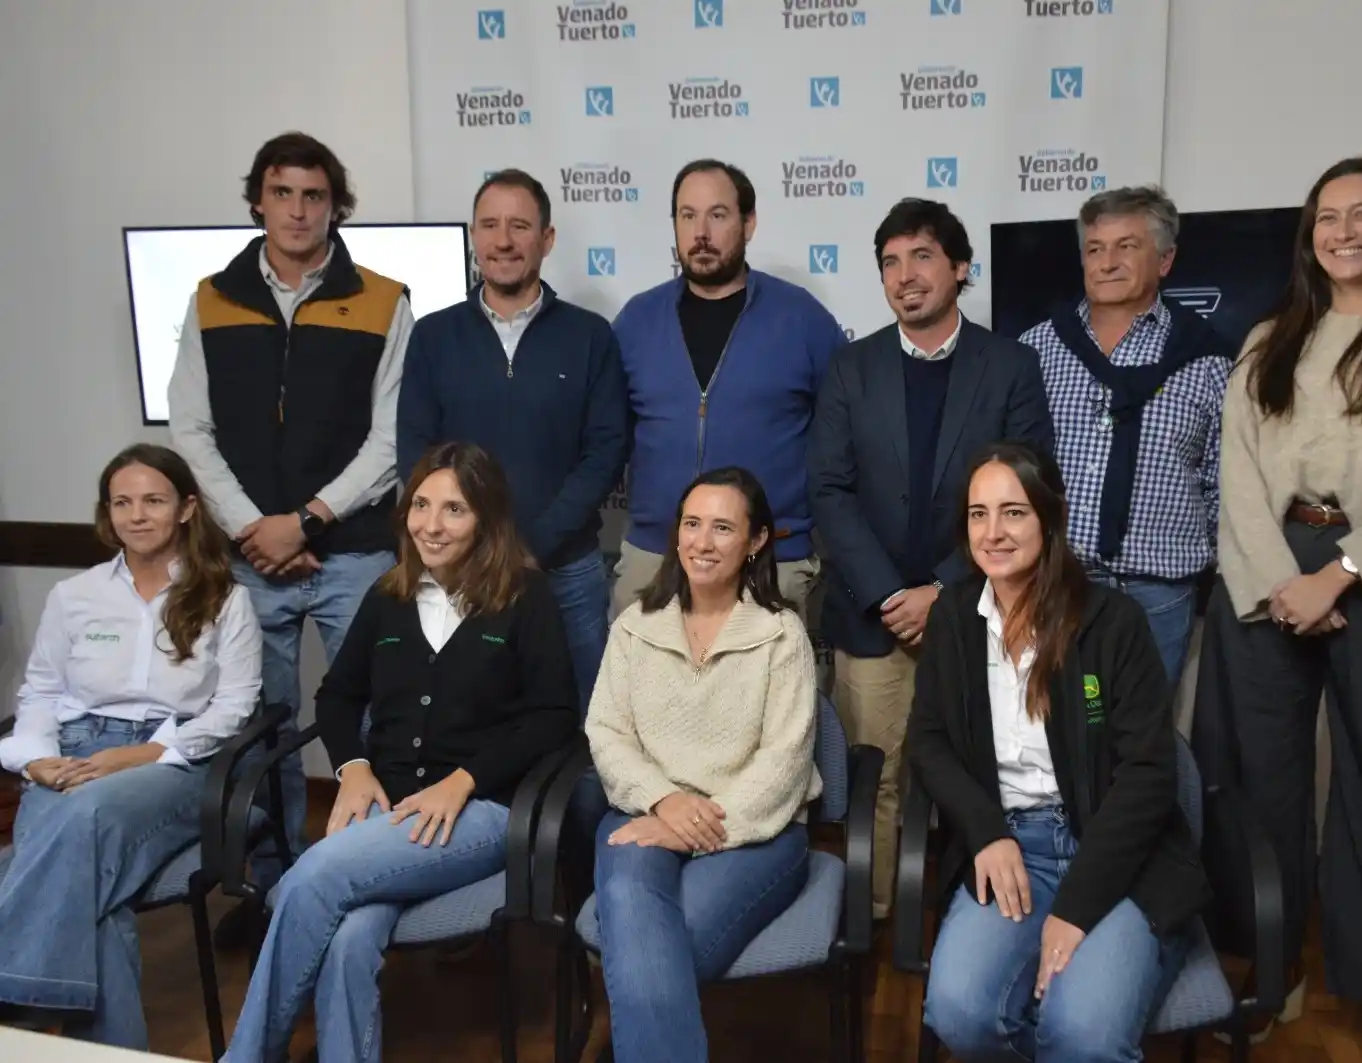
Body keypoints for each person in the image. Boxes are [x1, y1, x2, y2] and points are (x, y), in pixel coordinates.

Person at [220, 442, 579, 1063]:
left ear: (487, 520)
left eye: (454, 510)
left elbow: (554, 719)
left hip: (483, 812)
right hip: (385, 811)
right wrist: (353, 769)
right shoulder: (389, 595)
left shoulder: (526, 598)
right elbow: (336, 697)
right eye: (420, 505)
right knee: (350, 936)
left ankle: (248, 1056)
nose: (431, 525)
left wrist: (463, 780)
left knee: (318, 876)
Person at [168, 132, 413, 939]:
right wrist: (252, 529)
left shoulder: (383, 297)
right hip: (249, 561)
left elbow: (392, 438)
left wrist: (305, 520)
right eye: (283, 193)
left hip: (355, 551)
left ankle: (368, 880)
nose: (299, 210)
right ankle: (273, 892)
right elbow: (191, 429)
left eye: (315, 195)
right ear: (257, 201)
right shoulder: (212, 297)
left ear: (334, 204)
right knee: (260, 726)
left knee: (380, 717)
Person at [1195, 155, 1362, 1037]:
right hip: (1269, 572)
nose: (1343, 231)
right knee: (1258, 780)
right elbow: (1237, 475)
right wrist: (1282, 580)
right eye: (1326, 217)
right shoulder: (1269, 338)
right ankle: (1269, 972)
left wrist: (1343, 572)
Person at [907, 442, 1207, 1062]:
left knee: (1083, 1035)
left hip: (1116, 857)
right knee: (960, 1013)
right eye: (977, 514)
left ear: (1050, 517)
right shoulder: (955, 617)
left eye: (1013, 512)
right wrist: (988, 833)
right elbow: (929, 741)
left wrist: (1074, 910)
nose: (993, 532)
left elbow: (1149, 775)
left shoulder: (1112, 621)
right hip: (1012, 847)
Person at [809, 197, 1054, 918]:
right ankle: (884, 918)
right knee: (877, 775)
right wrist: (891, 593)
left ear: (958, 267)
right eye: (889, 261)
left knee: (975, 771)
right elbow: (828, 488)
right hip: (872, 615)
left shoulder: (1009, 365)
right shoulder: (851, 368)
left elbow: (1027, 485)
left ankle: (972, 910)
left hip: (982, 611)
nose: (904, 275)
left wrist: (944, 589)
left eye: (920, 256)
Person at [0, 444, 263, 1049]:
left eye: (153, 500)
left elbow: (234, 708)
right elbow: (39, 691)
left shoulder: (225, 596)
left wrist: (142, 755)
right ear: (107, 512)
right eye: (122, 502)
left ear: (187, 508)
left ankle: (19, 1010)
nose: (136, 515)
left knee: (78, 818)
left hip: (173, 761)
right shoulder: (75, 595)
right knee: (100, 903)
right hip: (73, 750)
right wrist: (34, 757)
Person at [585, 466, 822, 1063]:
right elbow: (606, 732)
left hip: (755, 834)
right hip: (645, 812)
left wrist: (692, 822)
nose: (702, 542)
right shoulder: (635, 627)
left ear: (757, 541)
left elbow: (785, 763)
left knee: (655, 947)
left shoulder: (781, 635)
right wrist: (664, 802)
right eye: (692, 524)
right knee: (644, 937)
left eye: (722, 527)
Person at [397, 167, 629, 716]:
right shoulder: (432, 335)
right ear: (474, 237)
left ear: (546, 239)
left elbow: (605, 451)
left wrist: (532, 547)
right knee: (465, 716)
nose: (503, 241)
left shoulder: (590, 336)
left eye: (520, 226)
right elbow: (415, 450)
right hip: (457, 567)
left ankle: (583, 808)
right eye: (490, 225)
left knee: (586, 720)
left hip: (564, 568)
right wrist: (469, 542)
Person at [610, 159, 847, 618]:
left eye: (717, 215)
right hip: (656, 557)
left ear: (748, 223)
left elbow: (845, 436)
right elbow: (605, 437)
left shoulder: (802, 319)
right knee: (641, 690)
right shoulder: (636, 322)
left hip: (770, 557)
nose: (701, 232)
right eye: (687, 215)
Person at [1020, 186, 1231, 688]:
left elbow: (1223, 483)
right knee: (1050, 736)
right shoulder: (1037, 349)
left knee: (1143, 742)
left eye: (1127, 246)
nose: (1107, 262)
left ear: (1165, 258)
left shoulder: (1208, 361)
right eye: (1095, 249)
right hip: (1054, 584)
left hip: (1158, 594)